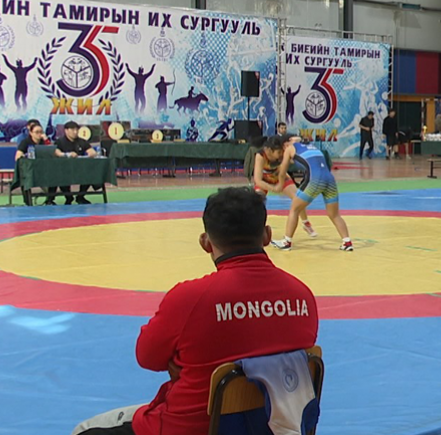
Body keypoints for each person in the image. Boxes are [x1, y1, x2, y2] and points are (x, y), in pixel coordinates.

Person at [72, 188, 318, 435]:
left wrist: (187, 362)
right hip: (270, 427)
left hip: (189, 427)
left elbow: (147, 358)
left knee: (85, 430)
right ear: (266, 235)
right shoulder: (302, 296)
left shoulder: (189, 298)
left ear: (205, 242)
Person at [271, 135, 353, 251]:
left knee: (295, 209)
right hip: (330, 179)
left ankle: (286, 242)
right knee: (334, 214)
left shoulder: (289, 148)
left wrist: (279, 185)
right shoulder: (312, 146)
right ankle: (347, 242)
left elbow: (282, 171)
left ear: (285, 144)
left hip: (315, 180)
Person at [253, 136, 317, 237]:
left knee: (298, 198)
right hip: (265, 180)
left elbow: (295, 140)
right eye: (278, 152)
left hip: (280, 177)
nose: (280, 155)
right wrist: (274, 188)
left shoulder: (282, 152)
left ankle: (306, 223)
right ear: (270, 150)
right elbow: (257, 180)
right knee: (257, 202)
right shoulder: (260, 156)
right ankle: (258, 228)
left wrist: (296, 141)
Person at [54, 121, 97, 205]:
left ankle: (80, 196)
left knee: (89, 174)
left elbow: (91, 151)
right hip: (64, 169)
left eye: (77, 130)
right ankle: (68, 197)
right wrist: (67, 154)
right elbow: (57, 152)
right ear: (66, 130)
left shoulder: (82, 141)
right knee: (59, 176)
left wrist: (92, 153)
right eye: (73, 130)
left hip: (80, 169)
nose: (75, 132)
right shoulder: (59, 142)